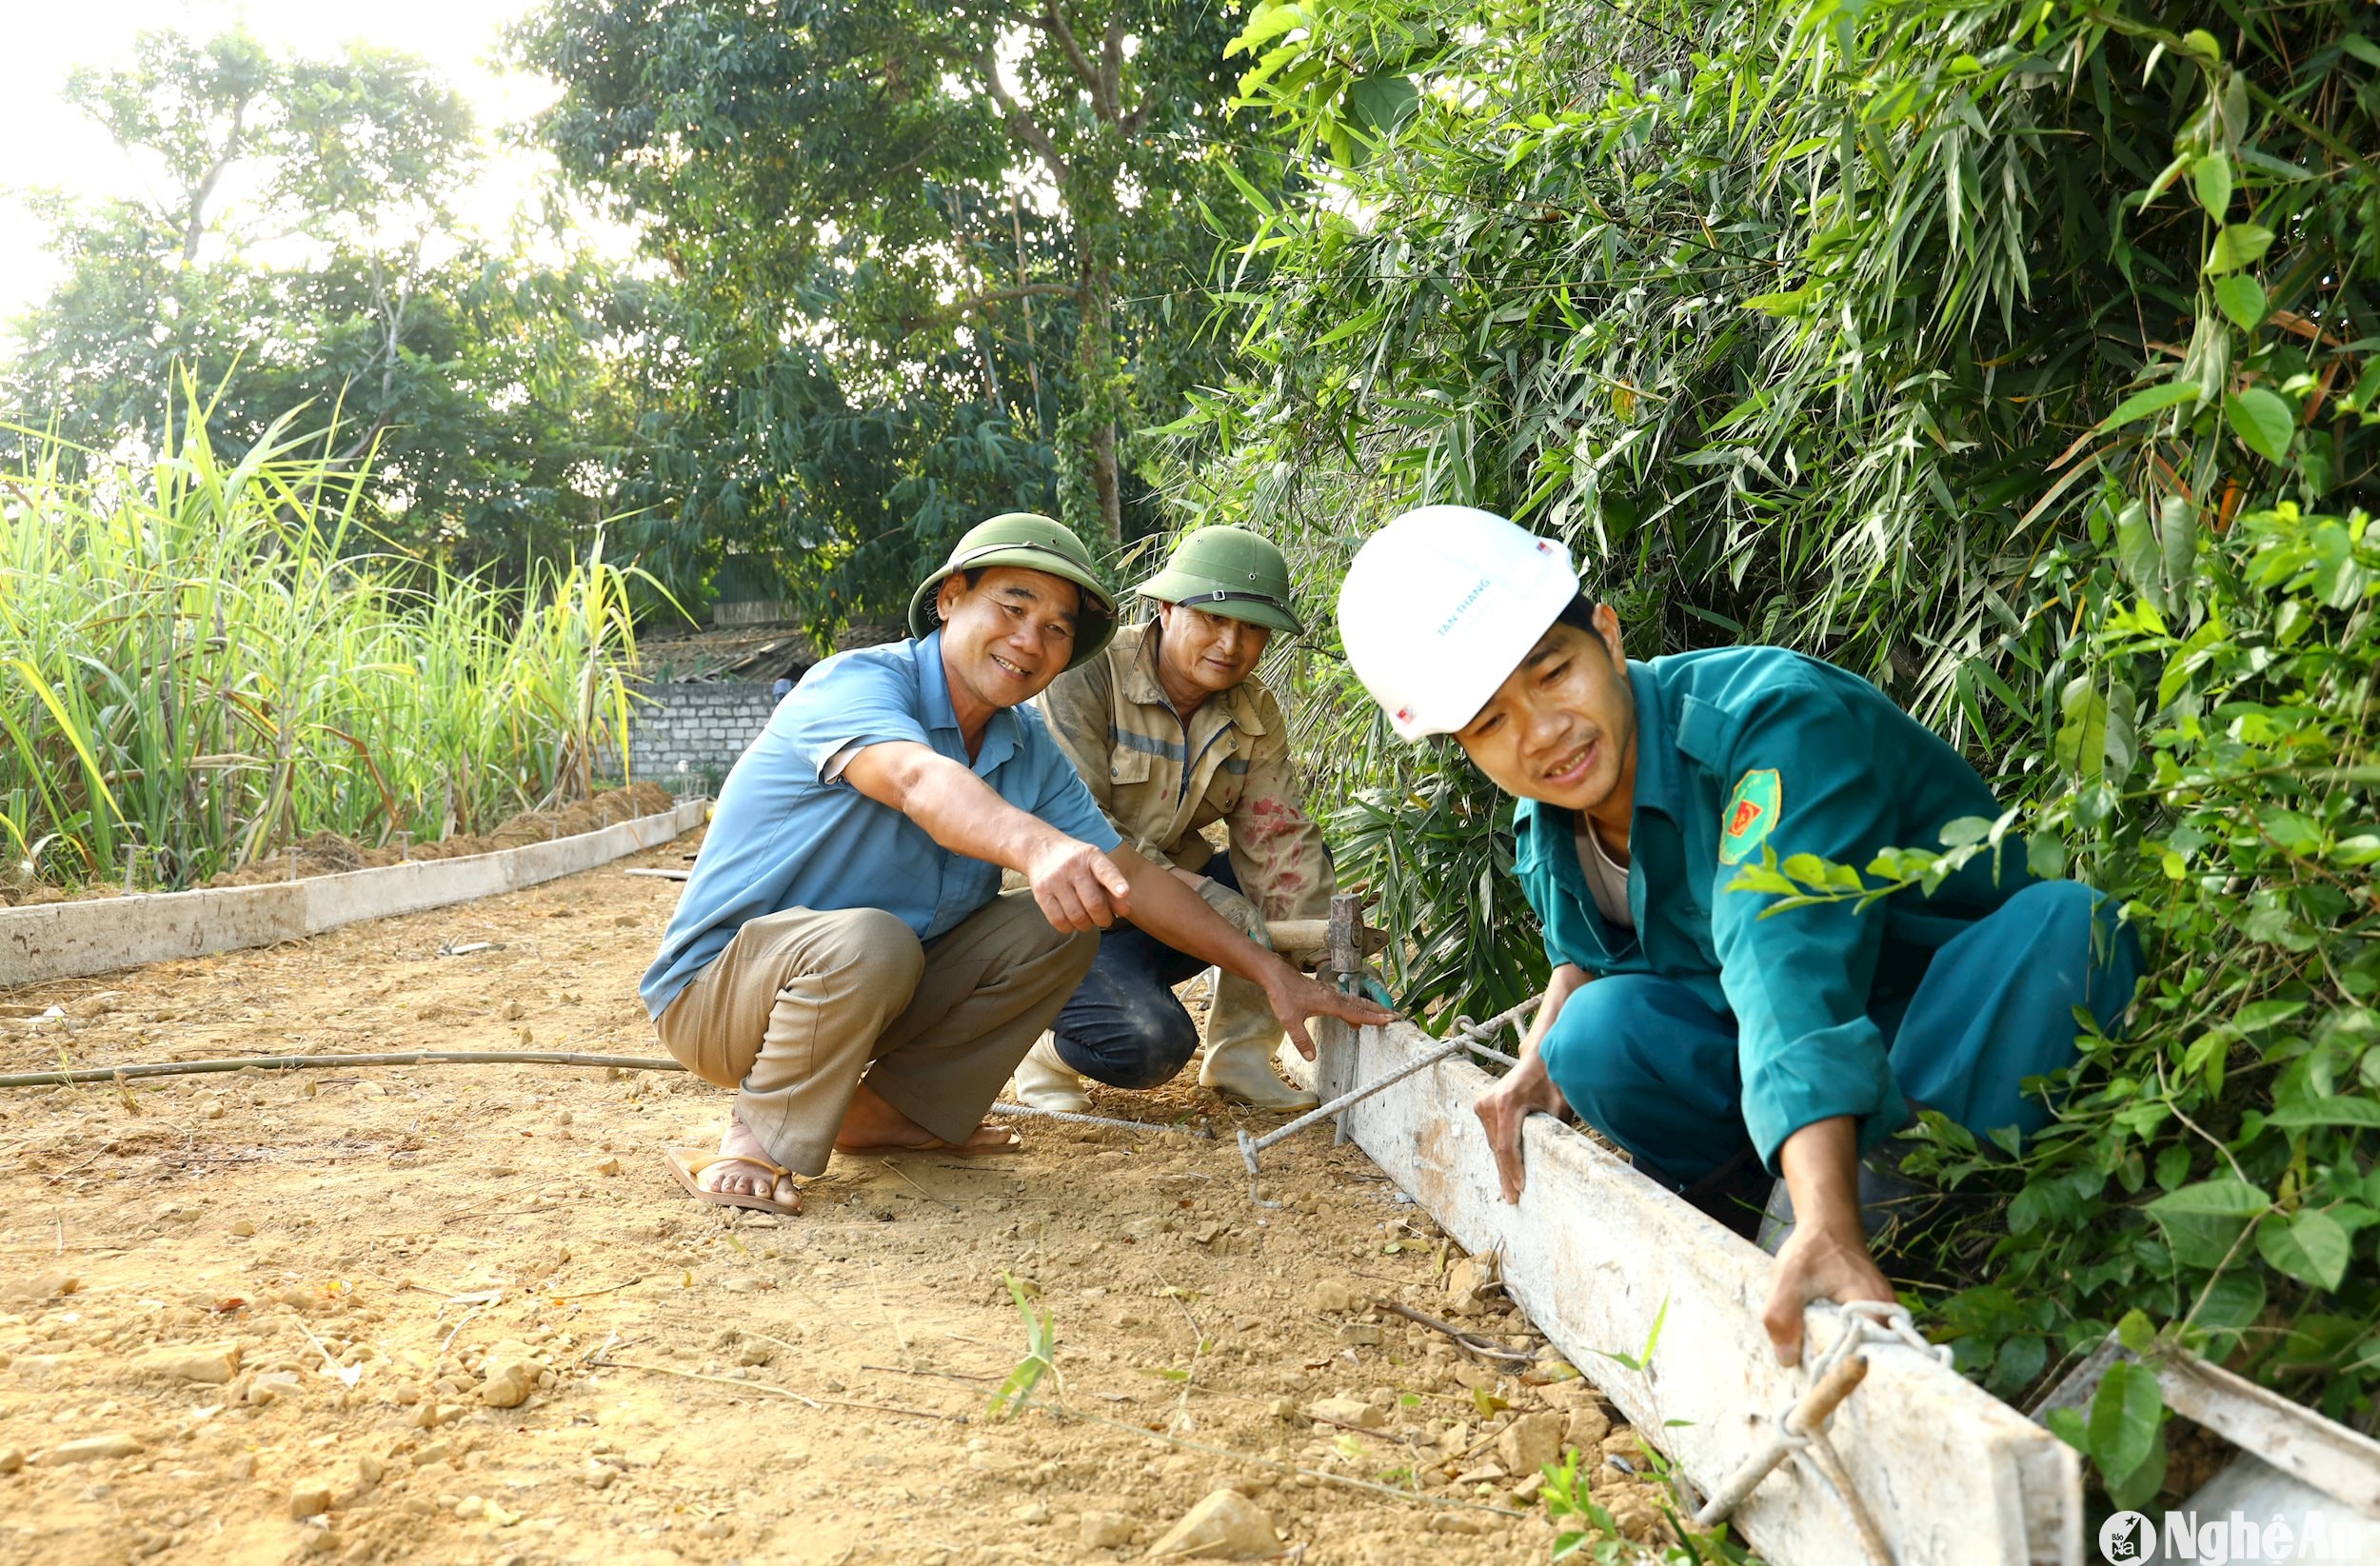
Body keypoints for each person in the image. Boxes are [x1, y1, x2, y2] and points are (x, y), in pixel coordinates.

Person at [1335, 505, 2142, 1366]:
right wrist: (1538, 1056)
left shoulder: (1768, 723)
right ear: (1463, 746)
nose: (1542, 733)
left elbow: (1782, 958)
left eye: (1552, 672)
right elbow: (1589, 958)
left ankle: (1847, 1209)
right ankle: (1756, 1199)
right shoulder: (1550, 826)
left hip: (1942, 1006)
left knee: (2074, 932)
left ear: (1607, 636)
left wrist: (1828, 1214)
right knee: (1597, 1034)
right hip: (1785, 1057)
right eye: (1491, 722)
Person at [640, 512, 1389, 1214]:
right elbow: (917, 780)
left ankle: (892, 1113)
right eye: (1012, 607)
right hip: (725, 998)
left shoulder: (1023, 744)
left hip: (878, 994)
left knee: (1065, 920)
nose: (1031, 641)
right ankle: (758, 1136)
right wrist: (1037, 844)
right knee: (876, 939)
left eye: (1057, 628)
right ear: (949, 598)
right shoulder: (859, 683)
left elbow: (1138, 876)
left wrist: (1273, 971)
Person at [1018, 526, 1337, 1113]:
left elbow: (1279, 835)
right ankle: (1040, 1050)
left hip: (1158, 913)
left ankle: (1240, 1058)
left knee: (1280, 877)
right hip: (1066, 915)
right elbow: (1079, 829)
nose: (1231, 644)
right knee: (1151, 1045)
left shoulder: (1252, 709)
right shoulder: (1086, 676)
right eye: (1213, 620)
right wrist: (1211, 902)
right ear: (1166, 609)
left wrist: (1329, 958)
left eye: (1251, 629)